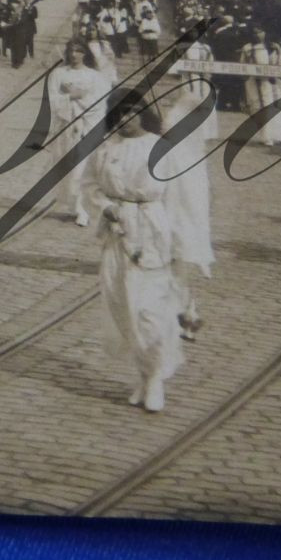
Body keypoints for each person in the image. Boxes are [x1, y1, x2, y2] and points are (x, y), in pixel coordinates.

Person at [82, 92, 182, 413]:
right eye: (120, 114)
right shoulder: (105, 148)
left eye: (132, 113)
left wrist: (177, 243)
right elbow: (89, 185)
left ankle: (155, 378)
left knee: (149, 310)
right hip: (116, 233)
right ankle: (143, 373)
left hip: (152, 232)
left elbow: (177, 197)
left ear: (144, 114)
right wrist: (105, 206)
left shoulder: (161, 148)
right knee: (121, 303)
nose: (126, 120)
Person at [161, 87, 216, 341]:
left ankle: (184, 311)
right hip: (166, 207)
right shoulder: (167, 149)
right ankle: (184, 310)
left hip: (183, 209)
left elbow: (195, 200)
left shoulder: (191, 156)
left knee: (179, 256)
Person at [49, 41, 109, 226]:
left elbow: (101, 101)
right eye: (71, 51)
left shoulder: (95, 76)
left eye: (79, 51)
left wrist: (81, 96)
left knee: (82, 169)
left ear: (85, 54)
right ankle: (73, 205)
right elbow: (51, 100)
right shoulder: (59, 74)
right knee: (67, 168)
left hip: (87, 126)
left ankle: (83, 209)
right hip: (66, 126)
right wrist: (70, 97)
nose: (74, 54)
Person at [240, 27, 281, 147]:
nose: (257, 35)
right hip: (256, 83)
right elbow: (242, 66)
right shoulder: (248, 48)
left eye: (260, 32)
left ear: (265, 33)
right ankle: (266, 137)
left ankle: (278, 136)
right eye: (254, 32)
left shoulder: (274, 47)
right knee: (262, 108)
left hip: (274, 83)